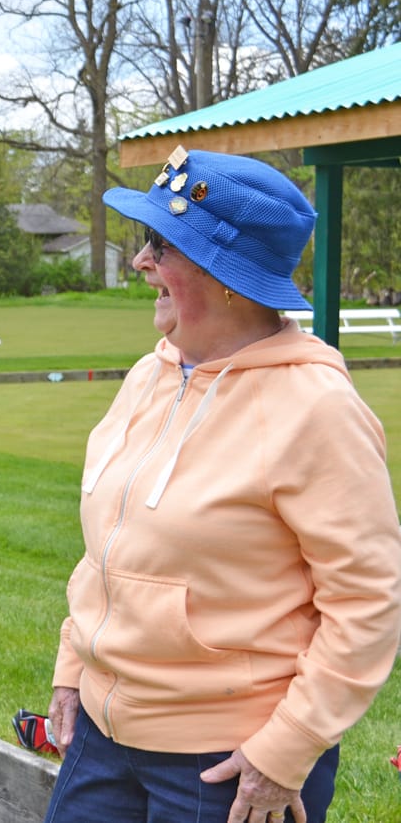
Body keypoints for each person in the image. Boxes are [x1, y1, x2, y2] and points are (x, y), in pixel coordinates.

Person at [42, 147, 401, 823]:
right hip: (101, 731)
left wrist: (286, 748)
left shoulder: (316, 407)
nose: (142, 261)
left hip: (229, 759)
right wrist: (73, 667)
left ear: (228, 277)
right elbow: (107, 551)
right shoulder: (149, 376)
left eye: (161, 245)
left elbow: (368, 604)